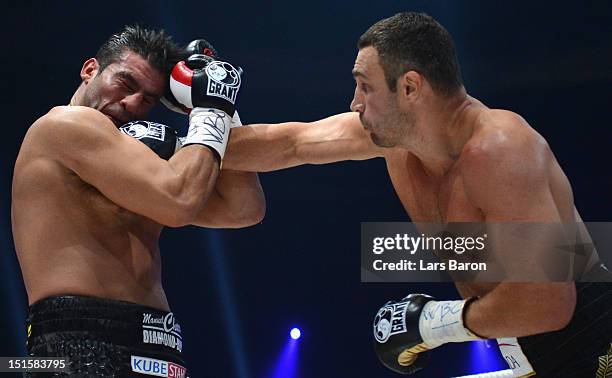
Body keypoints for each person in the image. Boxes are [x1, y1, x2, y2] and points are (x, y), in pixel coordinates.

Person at [221, 12, 611, 377]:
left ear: (409, 87)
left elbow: (547, 303)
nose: (354, 103)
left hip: (595, 350)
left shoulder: (500, 149)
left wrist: (430, 323)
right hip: (530, 354)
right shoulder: (397, 141)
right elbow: (292, 143)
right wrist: (184, 140)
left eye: (365, 86)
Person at [11, 25, 265, 376]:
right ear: (90, 70)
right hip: (74, 347)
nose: (133, 103)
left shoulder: (136, 163)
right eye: (126, 84)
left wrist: (212, 106)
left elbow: (244, 209)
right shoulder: (63, 126)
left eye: (148, 99)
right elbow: (179, 202)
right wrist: (211, 109)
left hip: (159, 346)